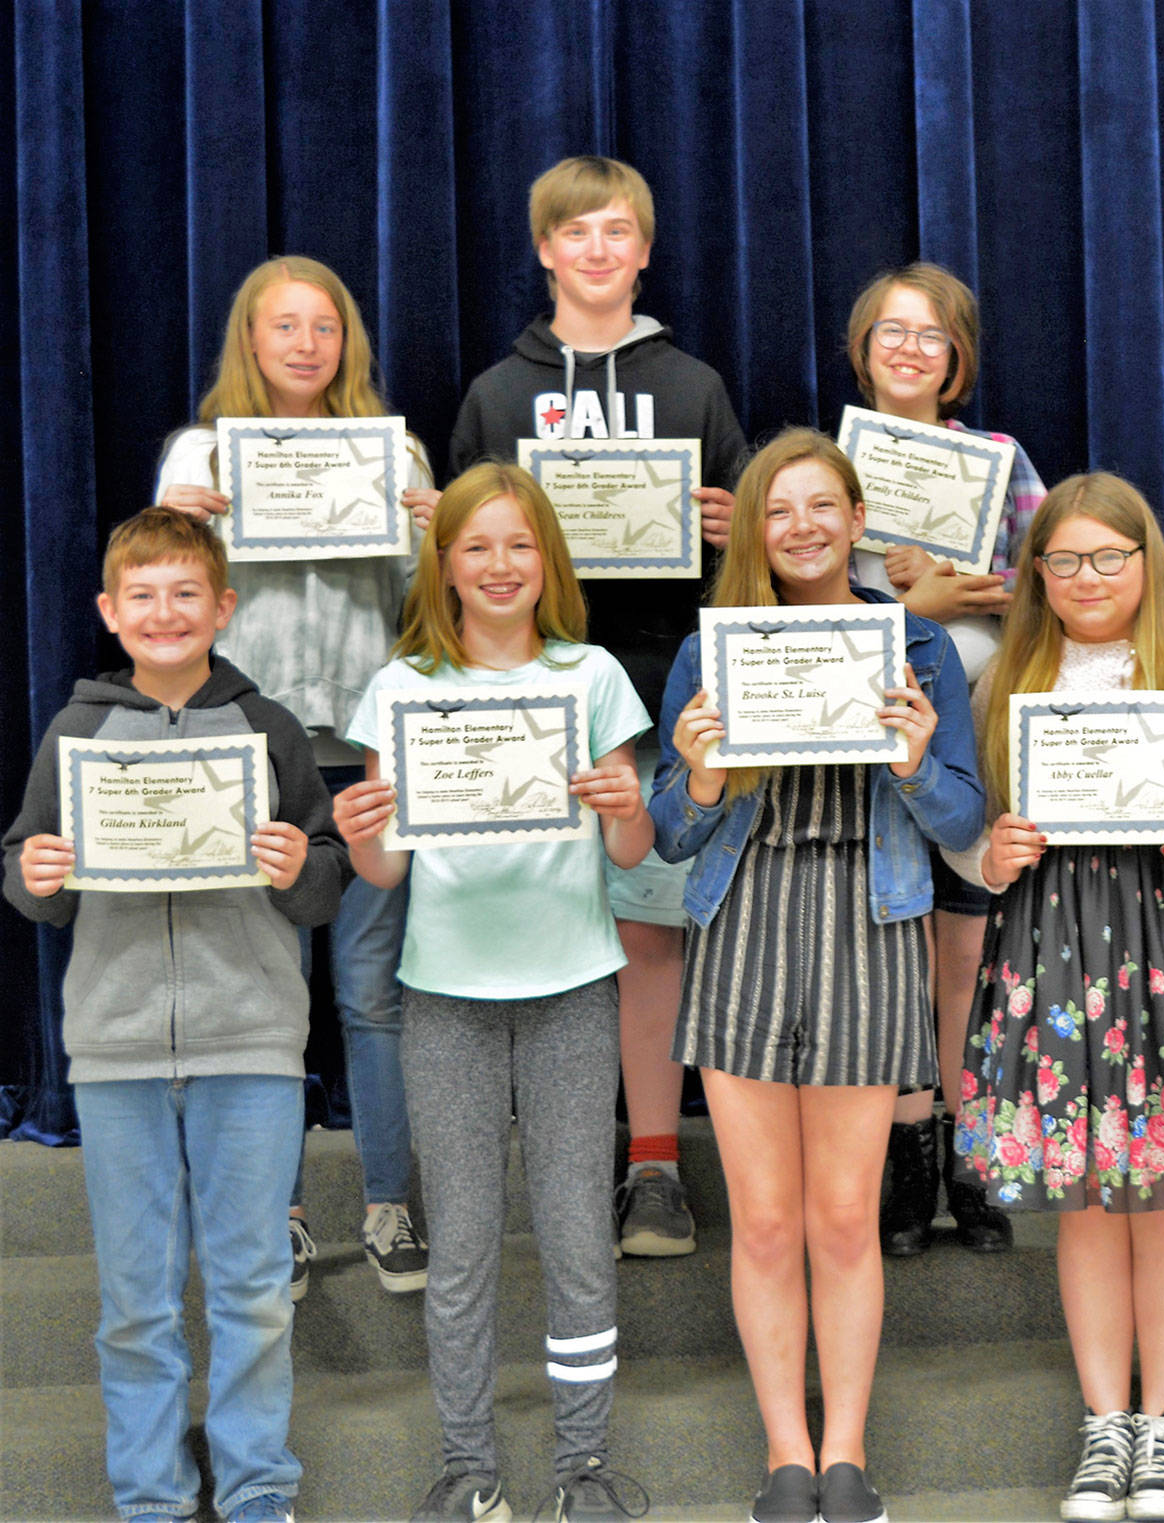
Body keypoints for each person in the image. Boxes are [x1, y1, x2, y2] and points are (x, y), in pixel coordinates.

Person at [650, 428, 984, 1523]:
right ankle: (784, 1455)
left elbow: (962, 822)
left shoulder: (922, 648)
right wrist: (699, 781)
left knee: (842, 1217)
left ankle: (845, 1455)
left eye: (818, 506)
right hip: (746, 923)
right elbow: (666, 833)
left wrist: (913, 764)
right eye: (775, 510)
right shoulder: (712, 652)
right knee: (763, 1219)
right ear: (753, 527)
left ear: (853, 518)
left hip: (870, 921)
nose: (798, 527)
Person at [943, 473, 1164, 1522]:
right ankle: (1103, 1425)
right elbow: (963, 827)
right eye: (1064, 559)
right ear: (1034, 571)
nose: (1086, 578)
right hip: (1050, 954)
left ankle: (1163, 1425)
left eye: (1108, 558)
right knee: (1085, 1196)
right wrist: (985, 852)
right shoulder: (1008, 675)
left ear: (1145, 564)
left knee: (1163, 1191)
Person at [3, 508, 348, 1523]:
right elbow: (29, 873)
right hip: (115, 1052)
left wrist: (300, 864)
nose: (165, 612)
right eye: (142, 595)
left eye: (185, 592)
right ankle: (150, 1497)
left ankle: (254, 1486)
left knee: (248, 1289)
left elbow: (323, 880)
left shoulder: (268, 726)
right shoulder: (76, 729)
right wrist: (36, 874)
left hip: (251, 1043)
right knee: (136, 1303)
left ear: (222, 606)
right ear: (110, 612)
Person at [333, 463, 653, 1523]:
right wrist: (357, 835)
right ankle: (467, 1465)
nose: (500, 564)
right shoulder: (400, 685)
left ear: (547, 560)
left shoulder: (593, 672)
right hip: (446, 997)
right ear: (446, 566)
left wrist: (623, 805)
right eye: (477, 546)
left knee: (573, 1237)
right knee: (460, 1244)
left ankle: (583, 1466)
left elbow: (632, 845)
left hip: (571, 988)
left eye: (519, 545)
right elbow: (384, 872)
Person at [449, 155, 748, 1257]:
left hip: (659, 683)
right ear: (543, 249)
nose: (595, 250)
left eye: (616, 232)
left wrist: (731, 527)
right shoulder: (493, 392)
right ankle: (535, 1171)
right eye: (574, 233)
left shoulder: (695, 386)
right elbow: (463, 552)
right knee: (525, 928)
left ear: (643, 250)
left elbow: (748, 567)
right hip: (521, 693)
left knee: (647, 929)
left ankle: (654, 1164)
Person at [156, 256, 434, 1298]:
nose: (307, 343)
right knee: (265, 998)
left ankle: (388, 1203)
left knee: (370, 992)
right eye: (286, 326)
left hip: (364, 750)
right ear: (251, 340)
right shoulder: (201, 450)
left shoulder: (392, 450)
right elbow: (166, 598)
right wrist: (185, 519)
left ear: (346, 343)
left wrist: (430, 524)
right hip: (243, 751)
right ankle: (269, 1214)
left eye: (325, 326)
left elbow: (425, 603)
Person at [845, 261, 1047, 1256]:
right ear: (862, 347)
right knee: (889, 960)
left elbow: (1061, 583)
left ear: (955, 357)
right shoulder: (828, 470)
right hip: (864, 768)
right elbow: (788, 616)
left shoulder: (1001, 464)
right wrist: (905, 609)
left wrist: (987, 586)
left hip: (972, 750)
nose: (909, 350)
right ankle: (902, 1163)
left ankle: (968, 1154)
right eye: (891, 330)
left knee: (962, 957)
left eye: (929, 335)